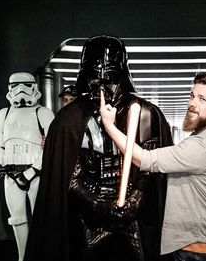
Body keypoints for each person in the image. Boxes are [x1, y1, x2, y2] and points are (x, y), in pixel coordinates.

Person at [24, 35, 173, 261]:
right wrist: (98, 205)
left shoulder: (145, 114)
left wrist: (133, 202)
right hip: (90, 214)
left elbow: (151, 170)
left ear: (122, 76)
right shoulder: (70, 120)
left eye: (110, 78)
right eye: (95, 79)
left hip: (134, 215)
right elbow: (69, 178)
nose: (102, 89)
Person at [100, 72, 206, 261]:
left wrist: (109, 126)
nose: (192, 104)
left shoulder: (203, 146)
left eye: (203, 99)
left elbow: (145, 159)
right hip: (201, 244)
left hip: (197, 248)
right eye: (192, 96)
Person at [0, 72, 55, 261]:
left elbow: (50, 147)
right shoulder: (3, 114)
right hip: (11, 172)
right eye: (16, 85)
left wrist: (33, 170)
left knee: (40, 219)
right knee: (17, 219)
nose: (20, 90)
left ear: (34, 87)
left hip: (36, 172)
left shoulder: (43, 113)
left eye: (25, 85)